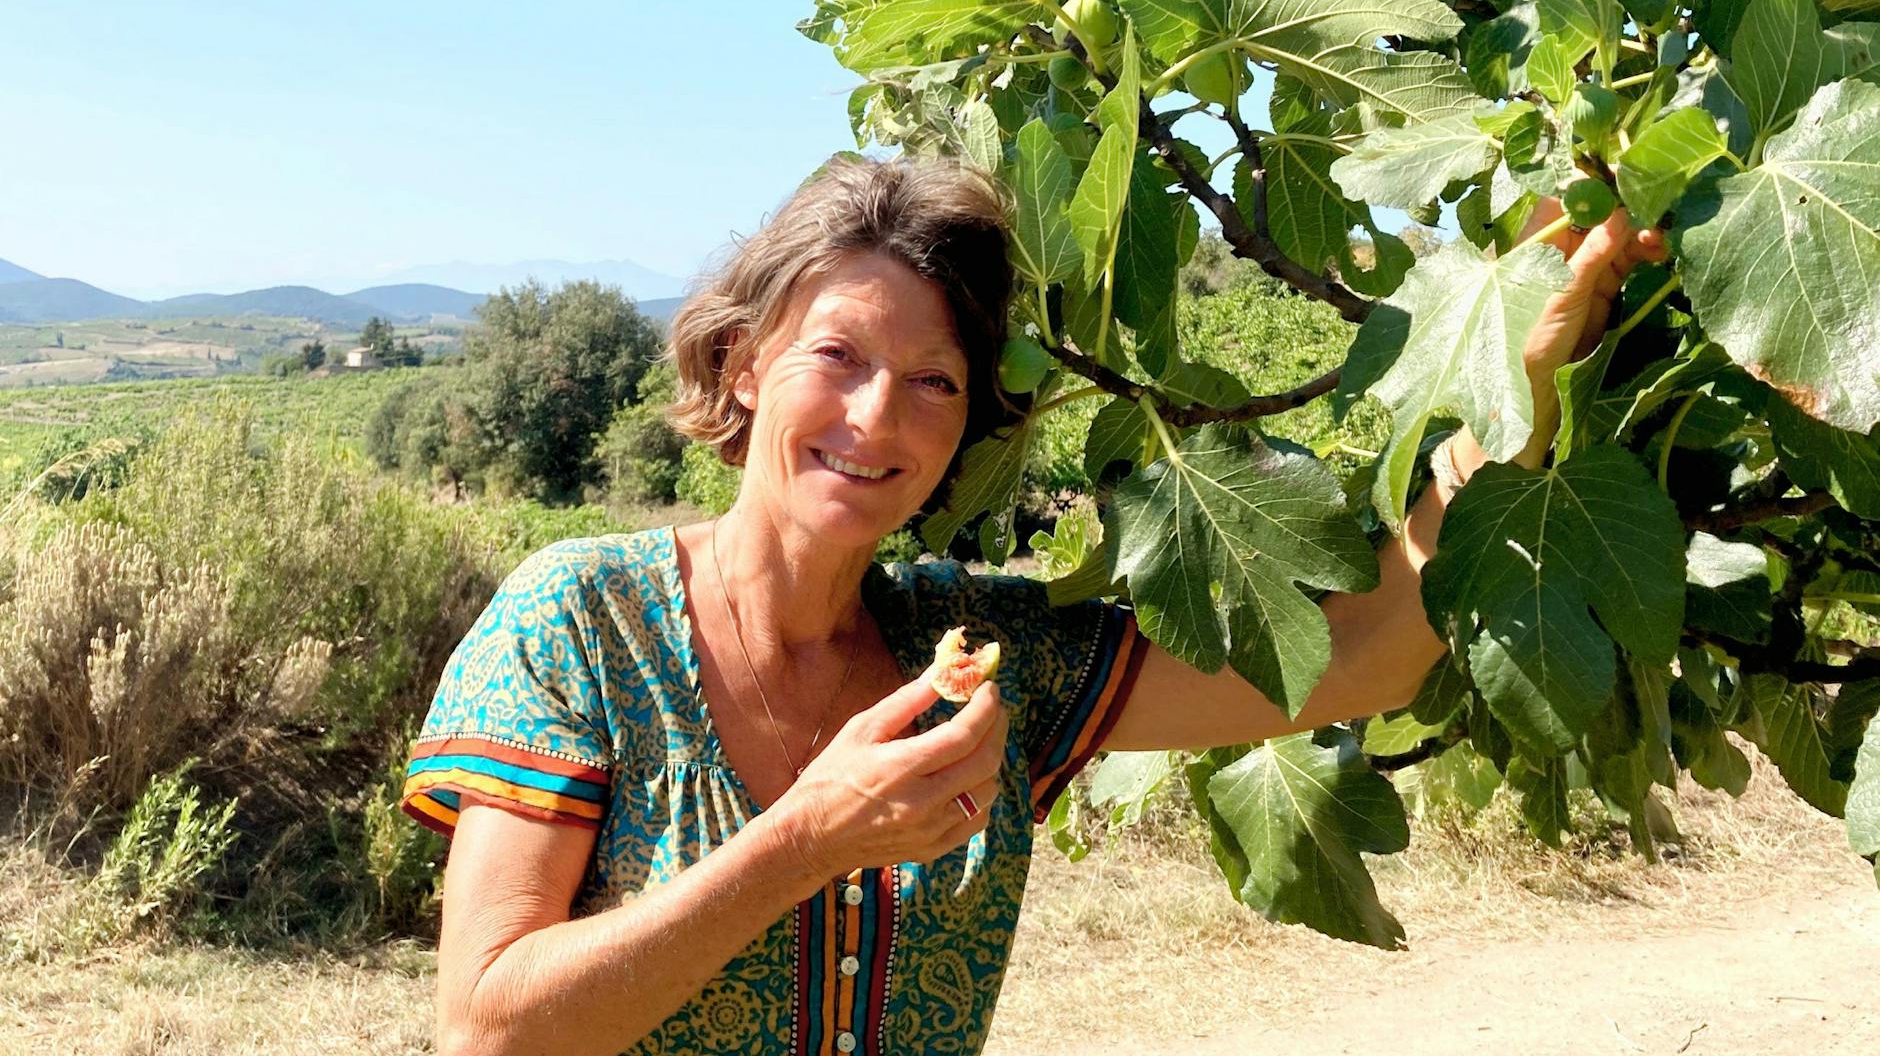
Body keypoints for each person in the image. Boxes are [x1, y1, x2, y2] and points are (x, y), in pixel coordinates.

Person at [398, 155, 1665, 1056]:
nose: (875, 417)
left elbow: (1368, 656)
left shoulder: (991, 659)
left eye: (932, 381)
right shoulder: (574, 619)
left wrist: (1516, 386)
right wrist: (806, 839)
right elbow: (487, 1025)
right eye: (835, 356)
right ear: (741, 361)